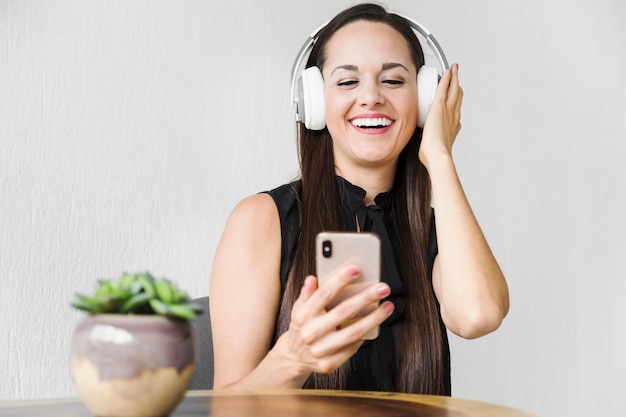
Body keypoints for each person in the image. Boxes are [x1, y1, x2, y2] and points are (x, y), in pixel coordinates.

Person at [209, 3, 509, 395]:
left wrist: (439, 155)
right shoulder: (263, 220)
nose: (370, 97)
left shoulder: (437, 231)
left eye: (394, 81)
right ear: (314, 101)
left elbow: (479, 315)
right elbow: (223, 409)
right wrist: (294, 357)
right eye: (348, 82)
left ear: (424, 101)